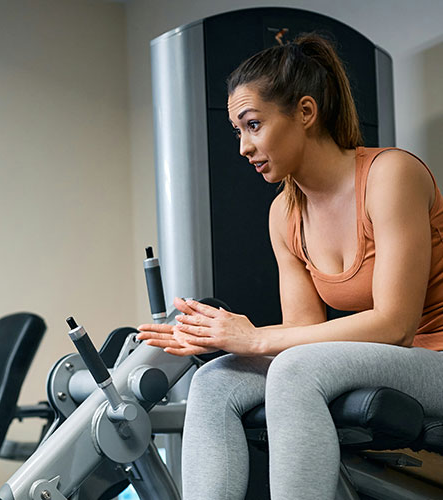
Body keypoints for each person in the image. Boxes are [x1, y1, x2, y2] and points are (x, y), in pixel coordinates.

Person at [137, 33, 443, 499]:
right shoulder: (285, 213)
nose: (243, 147)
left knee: (297, 369)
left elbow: (396, 325)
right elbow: (303, 327)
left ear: (305, 112)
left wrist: (254, 337)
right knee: (216, 380)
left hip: (436, 358)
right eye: (237, 131)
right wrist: (216, 340)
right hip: (394, 359)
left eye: (253, 125)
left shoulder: (389, 175)